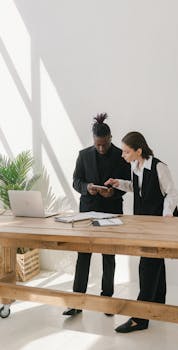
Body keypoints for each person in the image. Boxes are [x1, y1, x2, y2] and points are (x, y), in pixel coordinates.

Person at [104, 131, 178, 332]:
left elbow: (172, 193)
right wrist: (118, 183)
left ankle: (140, 318)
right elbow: (137, 188)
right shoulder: (134, 166)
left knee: (147, 265)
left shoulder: (159, 167)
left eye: (126, 152)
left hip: (160, 222)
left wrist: (165, 216)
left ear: (139, 150)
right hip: (144, 222)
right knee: (155, 261)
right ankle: (157, 305)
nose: (123, 155)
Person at [63, 113, 130, 317]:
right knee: (83, 254)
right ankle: (76, 302)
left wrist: (114, 192)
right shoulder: (83, 155)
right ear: (93, 140)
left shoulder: (121, 156)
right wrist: (87, 187)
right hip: (88, 211)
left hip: (111, 210)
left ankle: (107, 299)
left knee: (108, 255)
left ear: (110, 138)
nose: (101, 148)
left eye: (104, 144)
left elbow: (127, 183)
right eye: (97, 144)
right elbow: (76, 180)